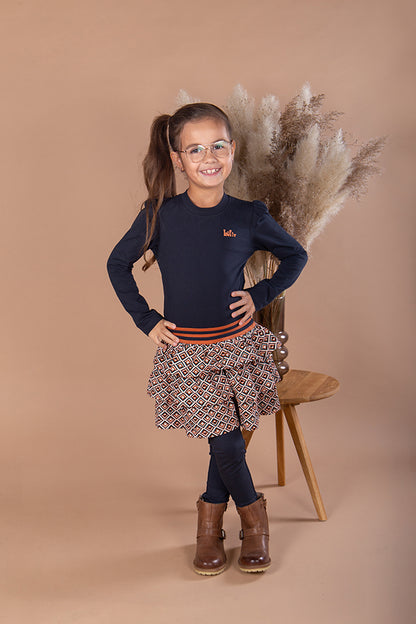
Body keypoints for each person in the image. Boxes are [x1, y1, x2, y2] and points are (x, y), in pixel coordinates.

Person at [106, 102, 308, 575]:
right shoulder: (159, 215)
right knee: (228, 443)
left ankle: (210, 524)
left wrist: (260, 294)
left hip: (238, 346)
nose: (209, 157)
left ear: (232, 150)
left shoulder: (249, 215)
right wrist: (147, 320)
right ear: (178, 160)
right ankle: (254, 520)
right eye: (195, 150)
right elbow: (117, 264)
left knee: (225, 443)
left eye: (218, 146)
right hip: (189, 353)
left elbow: (295, 256)